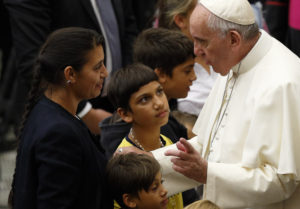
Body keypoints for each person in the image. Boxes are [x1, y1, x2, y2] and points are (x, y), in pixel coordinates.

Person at [122, 0, 300, 208]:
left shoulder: (284, 83)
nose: (196, 51)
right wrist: (151, 163)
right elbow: (212, 145)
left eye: (202, 41)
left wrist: (207, 172)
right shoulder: (235, 59)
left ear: (233, 39)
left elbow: (280, 180)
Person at [8, 27, 112, 209]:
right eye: (97, 67)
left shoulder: (48, 111)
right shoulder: (59, 133)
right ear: (70, 74)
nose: (105, 72)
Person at [3, 0, 138, 136]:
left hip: (119, 104)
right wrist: (85, 112)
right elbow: (34, 61)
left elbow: (129, 27)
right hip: (67, 117)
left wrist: (129, 88)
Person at [108, 63, 183, 209]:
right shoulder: (125, 160)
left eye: (159, 91)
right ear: (125, 114)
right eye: (144, 99)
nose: (159, 103)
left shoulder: (166, 141)